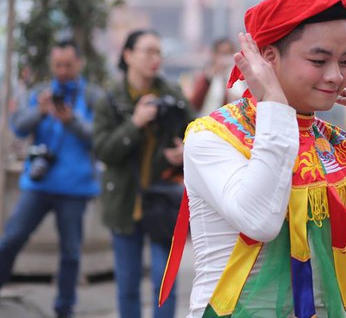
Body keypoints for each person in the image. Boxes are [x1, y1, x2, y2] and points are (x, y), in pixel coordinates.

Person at [173, 0, 346, 317]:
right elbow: (260, 220)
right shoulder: (213, 137)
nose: (336, 76)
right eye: (319, 60)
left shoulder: (339, 147)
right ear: (268, 58)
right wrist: (274, 105)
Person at [93, 29, 194, 318]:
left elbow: (197, 131)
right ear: (128, 55)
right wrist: (135, 123)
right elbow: (103, 151)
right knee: (127, 285)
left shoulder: (171, 94)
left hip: (162, 201)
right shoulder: (111, 100)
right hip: (124, 202)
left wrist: (184, 150)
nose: (155, 59)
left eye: (158, 52)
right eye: (148, 51)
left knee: (165, 283)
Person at [0, 39, 102, 318]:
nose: (63, 70)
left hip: (75, 187)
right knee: (11, 238)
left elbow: (100, 137)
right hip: (39, 183)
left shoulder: (92, 96)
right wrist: (40, 111)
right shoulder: (40, 94)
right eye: (58, 65)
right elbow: (19, 128)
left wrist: (72, 121)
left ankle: (64, 308)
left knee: (71, 253)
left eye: (68, 65)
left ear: (79, 63)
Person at [188, 37, 247, 115]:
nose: (225, 58)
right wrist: (210, 78)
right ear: (214, 55)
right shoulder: (206, 76)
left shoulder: (242, 77)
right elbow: (195, 103)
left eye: (229, 53)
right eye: (222, 53)